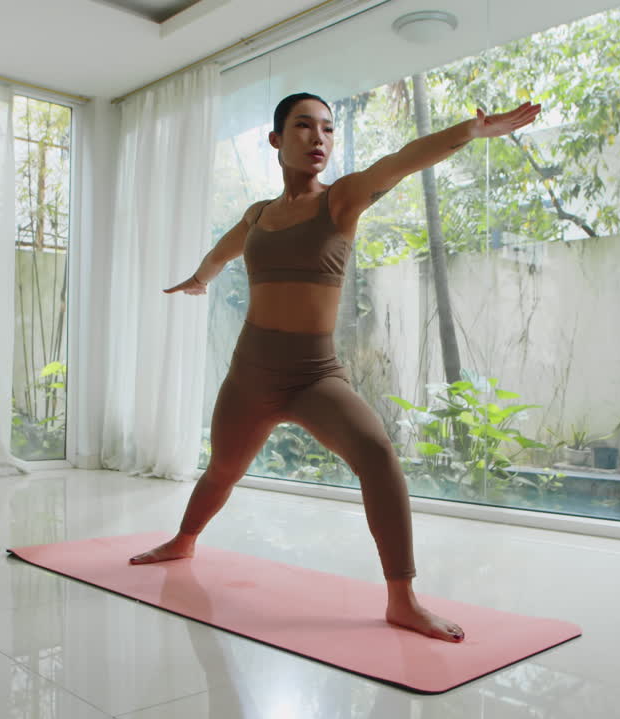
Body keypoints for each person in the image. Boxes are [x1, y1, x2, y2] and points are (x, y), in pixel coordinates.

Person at [130, 92, 541, 643]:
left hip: (314, 375)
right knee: (223, 469)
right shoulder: (257, 216)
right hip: (250, 372)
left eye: (326, 128)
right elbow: (223, 251)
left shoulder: (342, 200)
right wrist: (200, 277)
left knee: (377, 455)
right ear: (277, 141)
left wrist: (469, 132)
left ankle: (403, 600)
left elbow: (401, 160)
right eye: (303, 126)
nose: (318, 138)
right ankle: (183, 540)